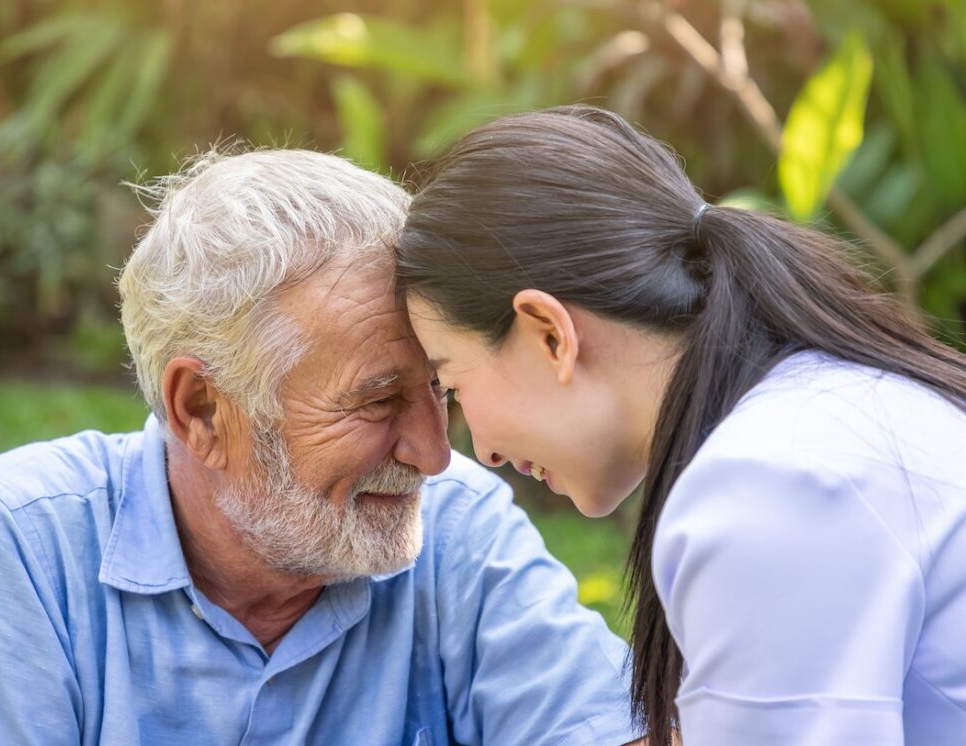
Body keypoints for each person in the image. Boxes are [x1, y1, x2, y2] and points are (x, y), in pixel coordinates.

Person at [0, 147, 645, 746]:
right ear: (202, 408)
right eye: (377, 400)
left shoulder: (459, 529)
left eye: (438, 391)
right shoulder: (16, 547)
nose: (434, 455)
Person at [395, 104, 966, 746]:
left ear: (550, 334)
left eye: (451, 385)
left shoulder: (767, 486)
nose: (479, 451)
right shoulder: (829, 403)